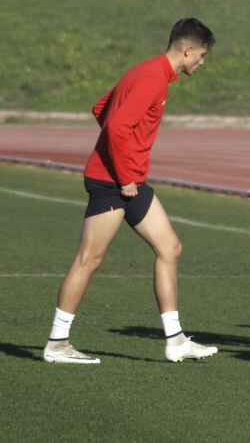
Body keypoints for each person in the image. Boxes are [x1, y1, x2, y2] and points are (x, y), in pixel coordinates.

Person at [43, 18, 219, 364]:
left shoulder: (148, 72)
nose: (202, 62)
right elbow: (116, 125)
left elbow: (101, 109)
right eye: (201, 55)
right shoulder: (152, 79)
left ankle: (175, 340)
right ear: (187, 50)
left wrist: (128, 160)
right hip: (113, 183)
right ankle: (57, 342)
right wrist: (123, 171)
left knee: (170, 248)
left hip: (130, 181)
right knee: (89, 259)